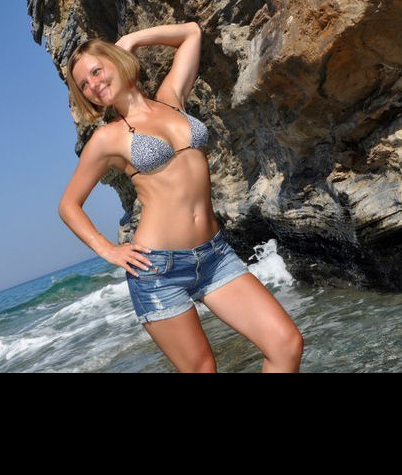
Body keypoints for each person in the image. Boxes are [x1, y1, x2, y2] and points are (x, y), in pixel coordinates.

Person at [58, 21, 303, 373]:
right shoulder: (106, 139)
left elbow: (191, 33)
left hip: (215, 255)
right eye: (84, 84)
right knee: (202, 368)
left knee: (285, 344)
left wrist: (132, 40)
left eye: (96, 71)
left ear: (114, 60)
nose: (93, 85)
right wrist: (108, 249)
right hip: (158, 270)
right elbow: (69, 205)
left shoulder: (171, 98)